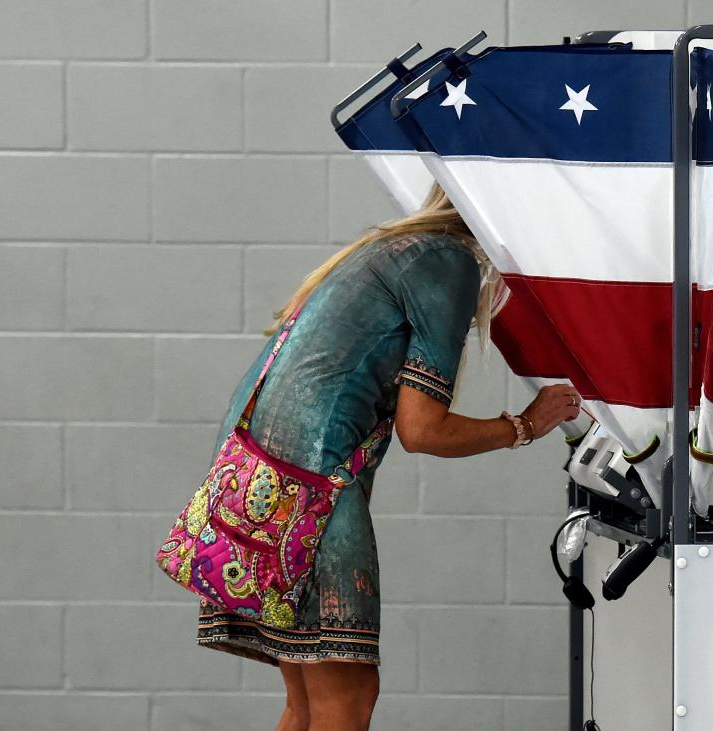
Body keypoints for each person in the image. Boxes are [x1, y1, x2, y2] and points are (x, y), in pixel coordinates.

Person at [194, 181, 581, 731]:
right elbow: (422, 430)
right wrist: (523, 426)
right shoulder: (448, 261)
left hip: (251, 474)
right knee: (347, 698)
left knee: (308, 701)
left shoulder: (397, 248)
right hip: (306, 488)